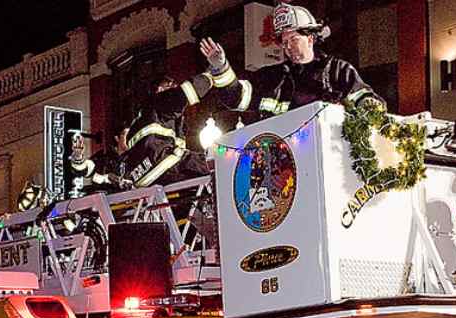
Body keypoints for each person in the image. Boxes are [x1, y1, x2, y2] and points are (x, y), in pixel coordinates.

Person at [218, 2, 383, 121]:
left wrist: (369, 106)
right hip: (285, 163)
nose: (288, 46)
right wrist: (221, 68)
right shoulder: (274, 77)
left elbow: (369, 103)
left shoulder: (338, 71)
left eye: (294, 39)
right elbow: (236, 98)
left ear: (310, 38)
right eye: (284, 42)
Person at [112, 38, 235, 189]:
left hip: (145, 177)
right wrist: (214, 70)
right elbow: (189, 90)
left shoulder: (142, 117)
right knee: (216, 162)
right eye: (170, 86)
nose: (174, 87)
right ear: (159, 90)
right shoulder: (159, 102)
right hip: (164, 162)